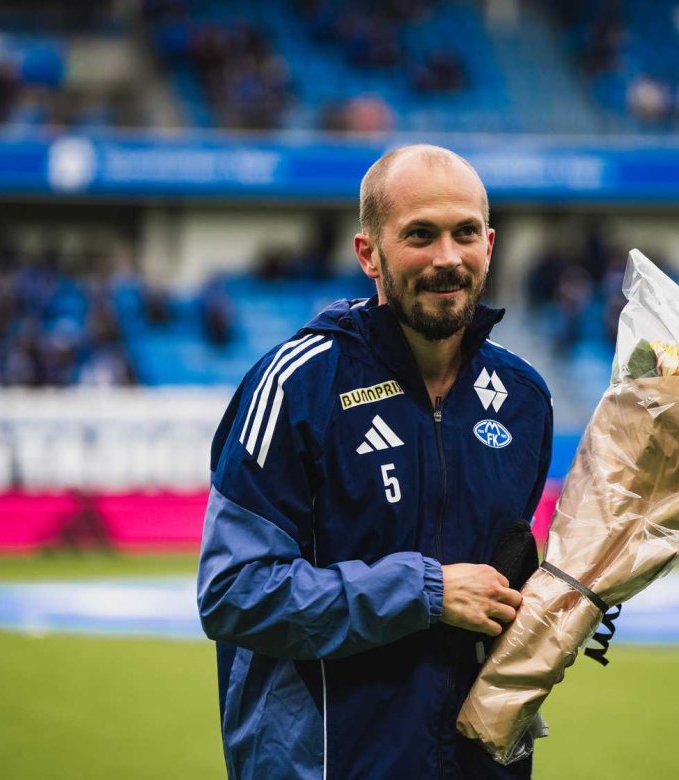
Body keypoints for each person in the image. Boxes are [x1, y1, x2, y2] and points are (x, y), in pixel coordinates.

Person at [197, 144, 553, 779]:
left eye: (465, 233)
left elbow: (498, 587)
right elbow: (234, 593)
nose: (448, 257)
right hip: (330, 764)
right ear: (369, 254)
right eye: (420, 235)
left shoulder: (524, 400)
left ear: (490, 245)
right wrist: (424, 590)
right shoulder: (298, 385)